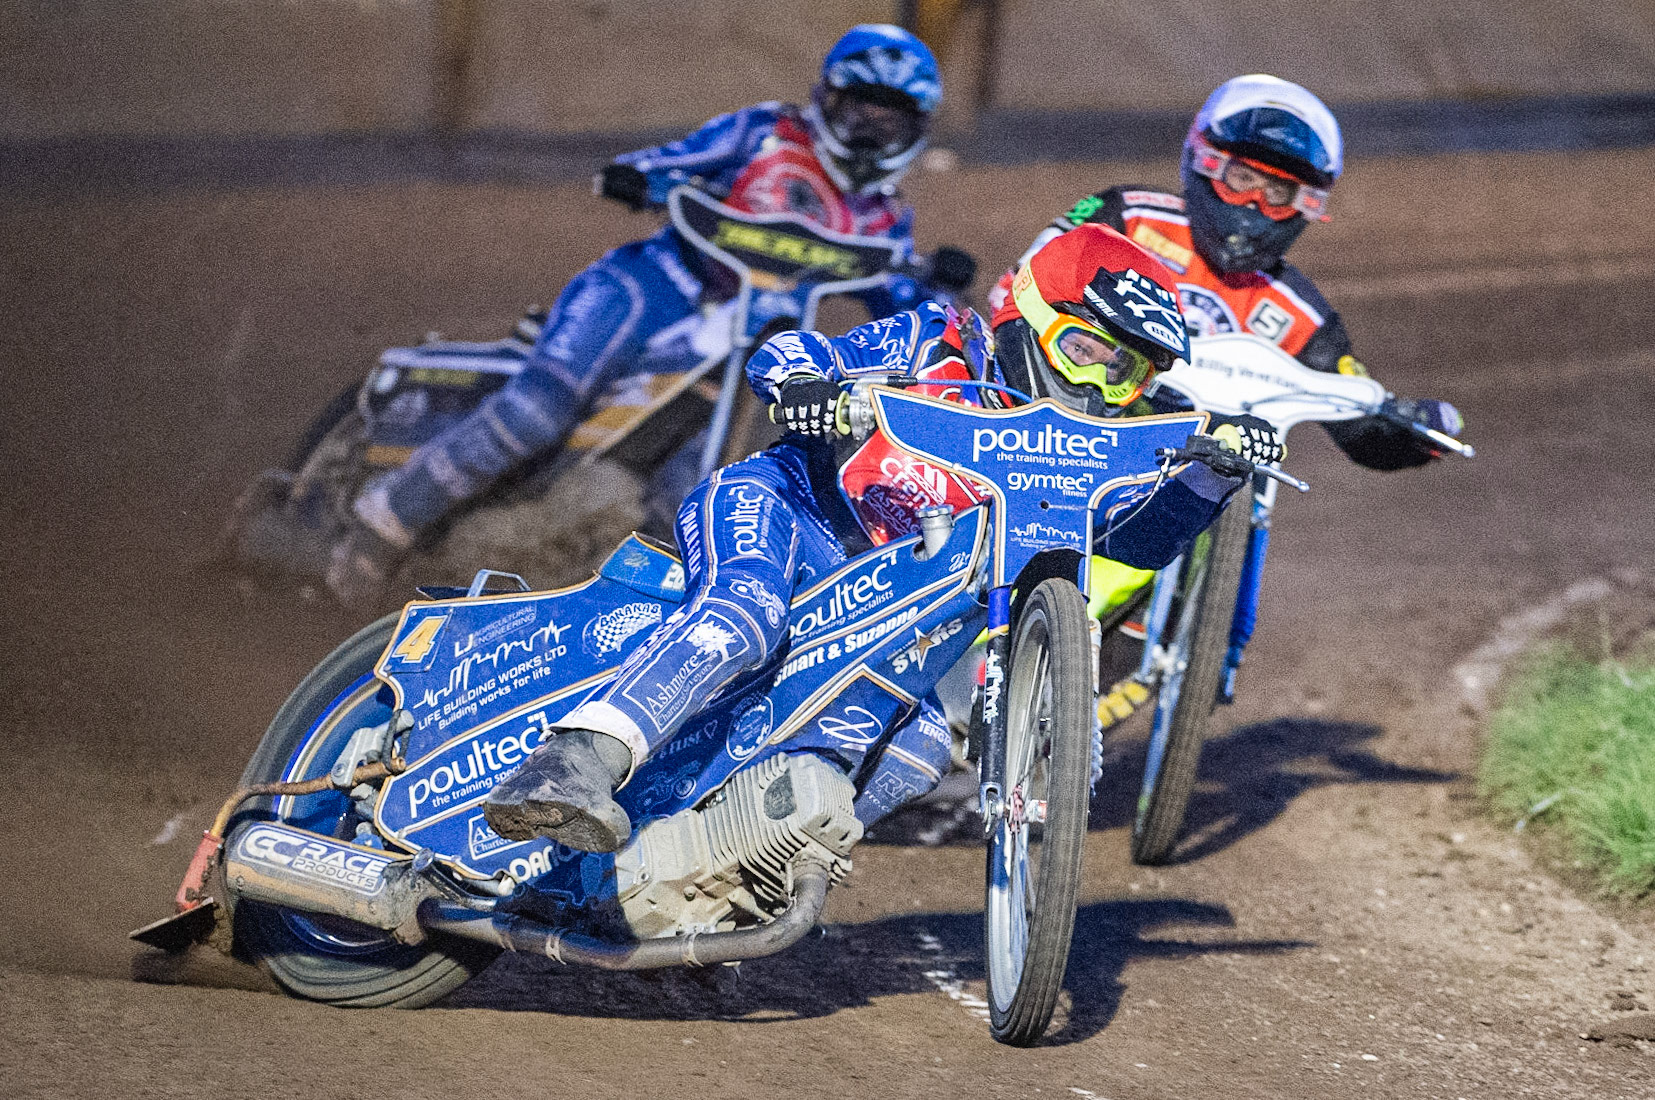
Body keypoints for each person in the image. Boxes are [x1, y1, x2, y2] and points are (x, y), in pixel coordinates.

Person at [482, 223, 1286, 853]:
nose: (1097, 385)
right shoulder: (941, 341)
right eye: (1084, 351)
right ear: (1032, 311)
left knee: (921, 748)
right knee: (743, 615)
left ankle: (739, 862)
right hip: (788, 509)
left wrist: (1213, 476)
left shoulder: (1077, 459)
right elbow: (798, 349)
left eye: (1124, 373)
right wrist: (806, 386)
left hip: (880, 615)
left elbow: (1135, 544)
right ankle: (572, 760)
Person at [327, 24, 951, 607]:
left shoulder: (885, 217)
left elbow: (899, 295)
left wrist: (935, 293)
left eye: (892, 116)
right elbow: (671, 159)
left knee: (714, 470)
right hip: (655, 285)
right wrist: (638, 177)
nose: (872, 128)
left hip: (740, 344)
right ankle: (386, 521)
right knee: (537, 410)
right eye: (862, 107)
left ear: (918, 127)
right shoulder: (764, 134)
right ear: (828, 97)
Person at [988, 74, 1469, 701]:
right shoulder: (1125, 216)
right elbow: (1018, 288)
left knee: (1234, 475)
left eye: (1279, 192)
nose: (1254, 205)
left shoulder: (1302, 313)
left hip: (1187, 458)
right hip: (1069, 423)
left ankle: (1175, 651)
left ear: (1306, 205)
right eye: (1242, 179)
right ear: (1203, 162)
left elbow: (1351, 405)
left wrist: (1411, 429)